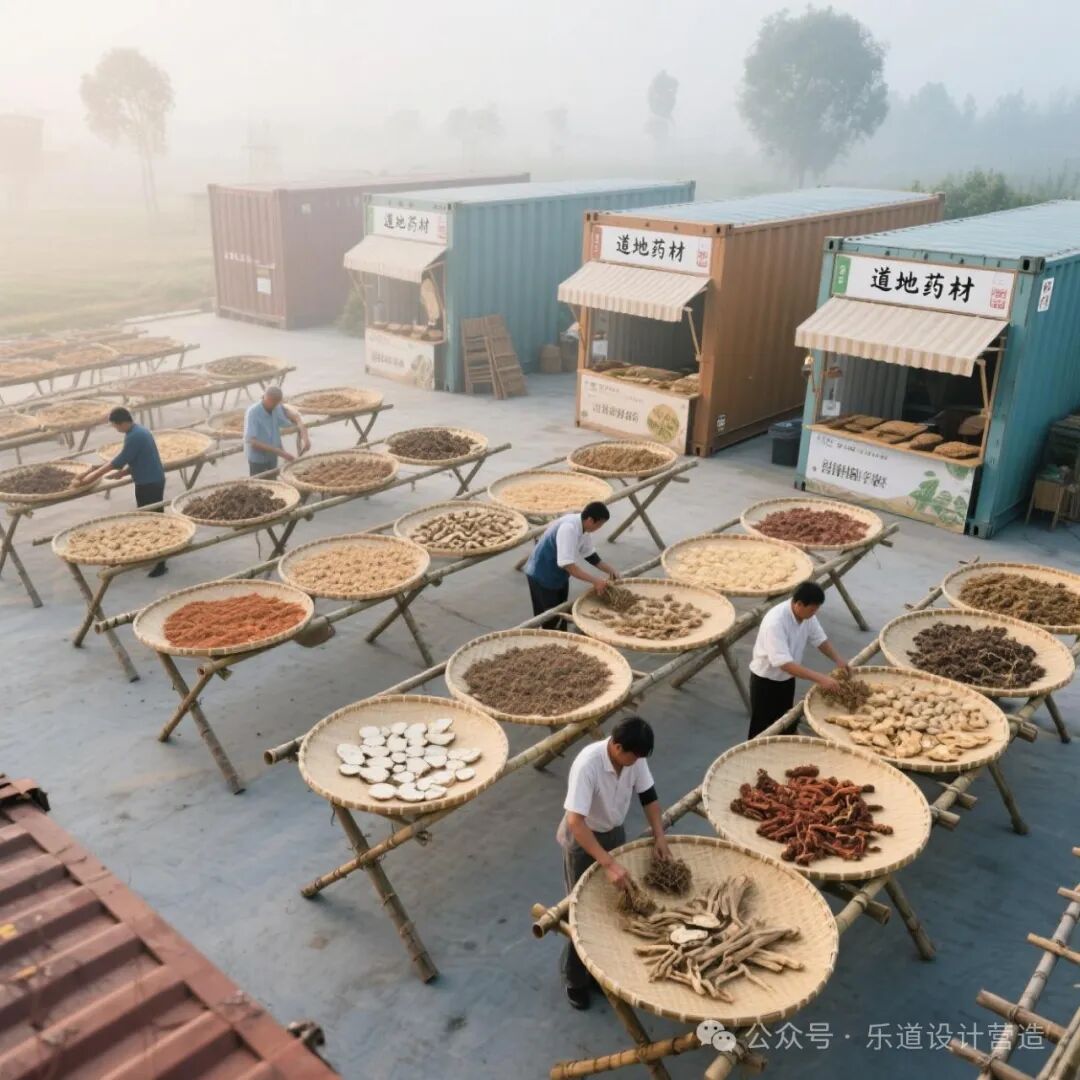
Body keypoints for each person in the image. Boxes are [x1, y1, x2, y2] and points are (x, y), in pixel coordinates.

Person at [558, 716, 671, 1010]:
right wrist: (609, 864)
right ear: (618, 747)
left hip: (613, 831)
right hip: (584, 840)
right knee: (580, 911)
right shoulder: (588, 765)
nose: (638, 763)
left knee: (611, 905)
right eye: (634, 757)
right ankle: (574, 980)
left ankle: (596, 969)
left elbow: (649, 797)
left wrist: (660, 837)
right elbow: (576, 822)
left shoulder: (635, 758)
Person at [75, 407, 169, 577]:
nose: (116, 429)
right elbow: (139, 458)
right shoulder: (138, 431)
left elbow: (118, 460)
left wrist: (91, 477)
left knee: (153, 520)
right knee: (148, 518)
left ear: (123, 422)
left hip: (150, 482)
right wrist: (124, 473)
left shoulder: (136, 436)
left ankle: (161, 562)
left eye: (116, 426)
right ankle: (153, 555)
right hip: (149, 478)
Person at [747, 580, 848, 739]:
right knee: (762, 727)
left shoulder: (807, 616)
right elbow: (784, 664)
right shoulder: (775, 622)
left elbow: (819, 639)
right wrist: (820, 678)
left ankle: (788, 742)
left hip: (787, 679)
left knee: (787, 718)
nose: (815, 613)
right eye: (813, 610)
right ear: (799, 604)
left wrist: (838, 660)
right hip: (765, 680)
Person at [524, 501, 618, 629]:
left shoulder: (584, 528)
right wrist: (595, 581)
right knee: (549, 617)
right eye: (600, 524)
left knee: (561, 611)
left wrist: (610, 570)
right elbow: (568, 566)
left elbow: (591, 556)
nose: (600, 528)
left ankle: (562, 634)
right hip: (542, 573)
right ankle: (551, 639)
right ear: (590, 520)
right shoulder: (568, 529)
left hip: (558, 575)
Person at [243, 386, 310, 476]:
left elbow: (296, 418)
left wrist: (305, 439)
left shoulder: (276, 408)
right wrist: (281, 452)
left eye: (276, 403)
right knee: (259, 483)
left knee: (273, 479)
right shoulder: (253, 413)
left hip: (272, 456)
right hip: (258, 458)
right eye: (272, 402)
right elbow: (252, 442)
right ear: (265, 398)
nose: (274, 406)